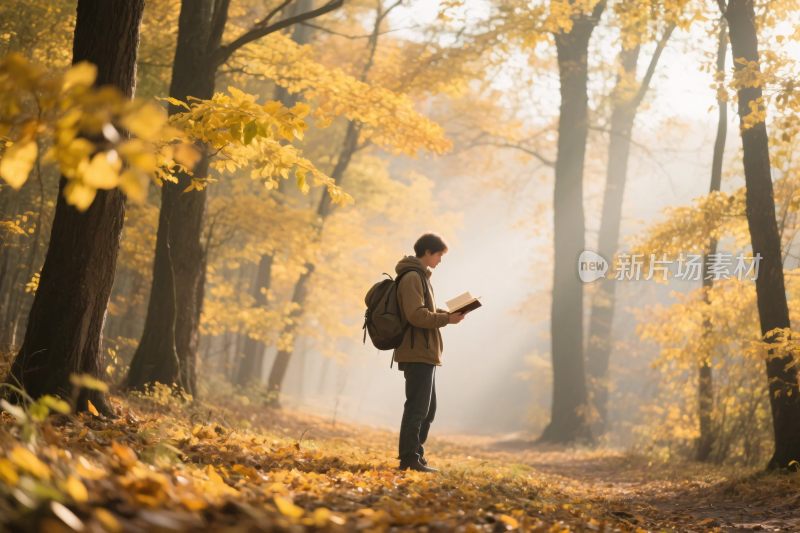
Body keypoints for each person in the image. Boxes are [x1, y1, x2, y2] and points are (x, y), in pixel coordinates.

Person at [393, 233, 464, 472]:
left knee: (427, 408)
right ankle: (408, 459)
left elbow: (422, 311)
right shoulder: (413, 277)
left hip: (424, 352)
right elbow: (416, 316)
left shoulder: (421, 277)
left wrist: (447, 314)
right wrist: (446, 319)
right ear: (427, 252)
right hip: (416, 352)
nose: (440, 261)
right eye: (439, 255)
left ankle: (416, 455)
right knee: (417, 407)